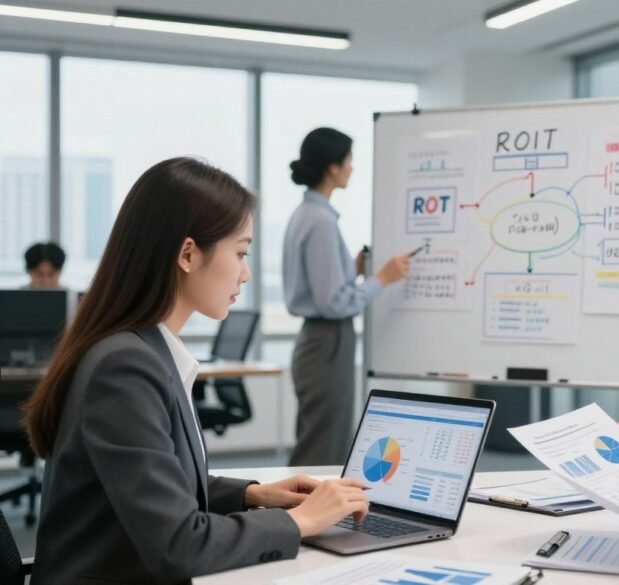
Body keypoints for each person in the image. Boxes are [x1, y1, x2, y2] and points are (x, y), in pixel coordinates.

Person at [25, 158, 371, 583]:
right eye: (241, 252)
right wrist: (301, 521)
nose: (245, 273)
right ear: (188, 254)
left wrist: (252, 495)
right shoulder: (125, 366)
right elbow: (179, 545)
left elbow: (153, 479)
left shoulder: (139, 347)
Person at [283, 127, 409, 466]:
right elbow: (334, 302)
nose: (352, 167)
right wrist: (382, 278)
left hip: (318, 340)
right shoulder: (321, 221)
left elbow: (321, 289)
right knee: (324, 444)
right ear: (333, 167)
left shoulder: (305, 215)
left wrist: (350, 271)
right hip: (327, 341)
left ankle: (302, 514)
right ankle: (303, 516)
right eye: (349, 160)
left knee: (321, 436)